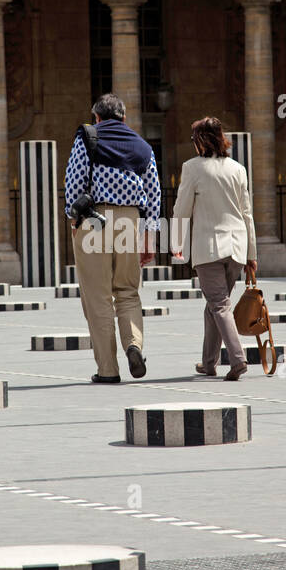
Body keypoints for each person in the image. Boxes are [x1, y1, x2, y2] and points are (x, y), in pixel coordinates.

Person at [64, 94, 160, 384]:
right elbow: (154, 193)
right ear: (124, 118)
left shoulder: (88, 137)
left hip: (94, 221)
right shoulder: (143, 147)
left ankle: (108, 369)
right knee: (128, 291)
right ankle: (134, 344)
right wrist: (150, 235)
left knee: (98, 297)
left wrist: (73, 217)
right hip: (131, 222)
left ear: (97, 117)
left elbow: (74, 182)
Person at [170, 116, 257, 381]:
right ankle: (209, 363)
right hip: (237, 248)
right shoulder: (237, 169)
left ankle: (238, 359)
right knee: (214, 306)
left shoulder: (192, 168)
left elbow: (181, 208)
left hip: (209, 248)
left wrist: (175, 244)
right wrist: (252, 255)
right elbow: (247, 214)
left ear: (199, 141)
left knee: (219, 305)